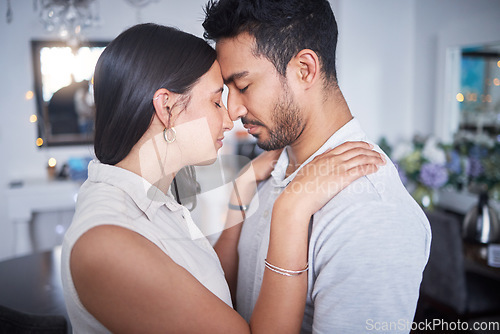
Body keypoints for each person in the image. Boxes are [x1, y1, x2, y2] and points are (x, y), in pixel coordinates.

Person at [60, 23, 385, 333]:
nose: (230, 118)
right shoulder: (109, 244)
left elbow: (209, 296)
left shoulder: (154, 199)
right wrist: (292, 209)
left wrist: (242, 188)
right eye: (217, 100)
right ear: (167, 107)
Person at [203, 0, 432, 332]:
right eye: (227, 91)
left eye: (243, 86)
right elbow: (226, 301)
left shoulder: (372, 213)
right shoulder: (270, 168)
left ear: (305, 69)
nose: (233, 109)